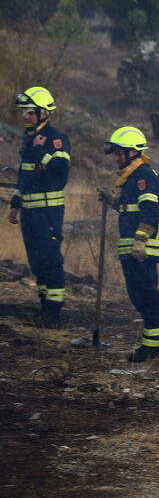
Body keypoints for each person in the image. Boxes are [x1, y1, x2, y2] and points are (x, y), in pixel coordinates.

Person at [97, 127, 159, 363]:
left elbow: (150, 210)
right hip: (132, 248)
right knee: (142, 295)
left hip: (141, 249)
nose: (115, 157)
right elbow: (131, 211)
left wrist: (140, 240)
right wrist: (115, 202)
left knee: (145, 296)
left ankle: (153, 345)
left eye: (119, 152)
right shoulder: (132, 177)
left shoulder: (143, 175)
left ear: (133, 152)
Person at [8, 87, 70, 326]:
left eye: (30, 112)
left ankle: (54, 313)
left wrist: (41, 152)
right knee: (36, 261)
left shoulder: (56, 139)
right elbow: (24, 177)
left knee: (50, 260)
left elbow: (61, 174)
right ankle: (44, 306)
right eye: (24, 112)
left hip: (48, 213)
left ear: (44, 113)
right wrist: (15, 203)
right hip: (29, 214)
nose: (25, 116)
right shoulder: (29, 139)